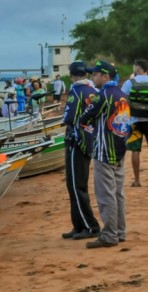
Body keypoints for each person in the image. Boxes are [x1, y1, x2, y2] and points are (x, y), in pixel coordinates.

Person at [78, 60, 130, 249]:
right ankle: (119, 231)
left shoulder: (102, 96)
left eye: (95, 74)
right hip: (119, 149)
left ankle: (109, 235)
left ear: (105, 76)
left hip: (104, 151)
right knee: (118, 193)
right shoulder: (122, 96)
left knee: (105, 194)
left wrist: (90, 130)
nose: (93, 77)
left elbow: (84, 118)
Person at [61, 61, 101, 241]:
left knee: (75, 185)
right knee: (79, 184)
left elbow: (68, 117)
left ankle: (89, 226)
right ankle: (78, 225)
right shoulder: (93, 91)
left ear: (72, 75)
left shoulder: (75, 92)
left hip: (76, 140)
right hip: (89, 139)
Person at [121, 59, 148, 187]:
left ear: (137, 68)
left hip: (134, 121)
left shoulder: (129, 83)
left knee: (135, 150)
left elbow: (122, 100)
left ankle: (137, 180)